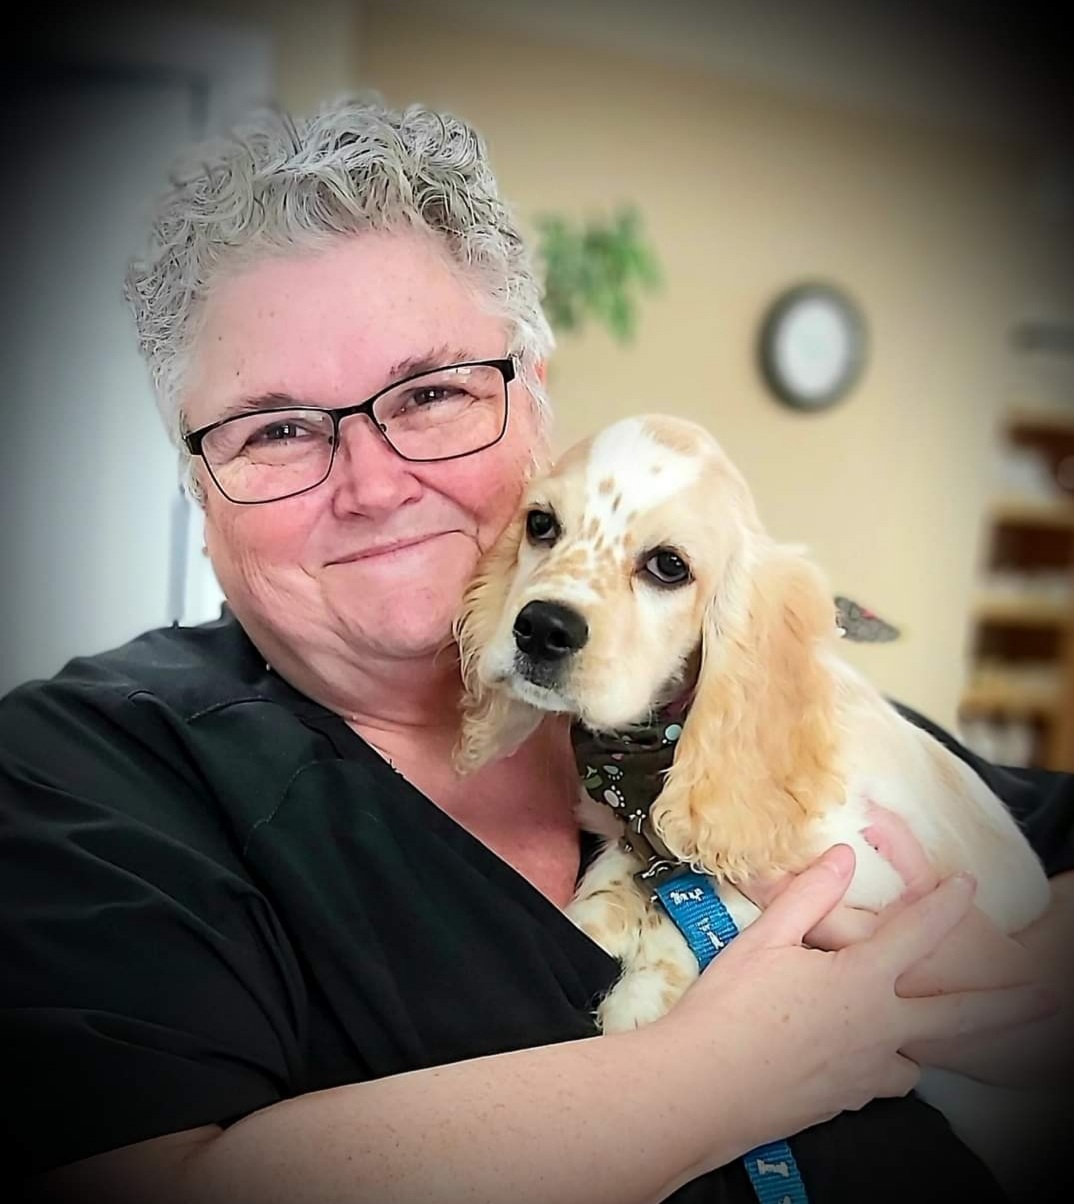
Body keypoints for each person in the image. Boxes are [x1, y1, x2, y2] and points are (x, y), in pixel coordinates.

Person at [1, 95, 1071, 1204]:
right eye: (276, 428)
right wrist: (722, 1074)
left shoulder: (704, 678)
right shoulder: (79, 774)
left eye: (428, 394)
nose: (374, 486)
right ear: (195, 481)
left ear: (536, 407)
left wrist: (1013, 993)